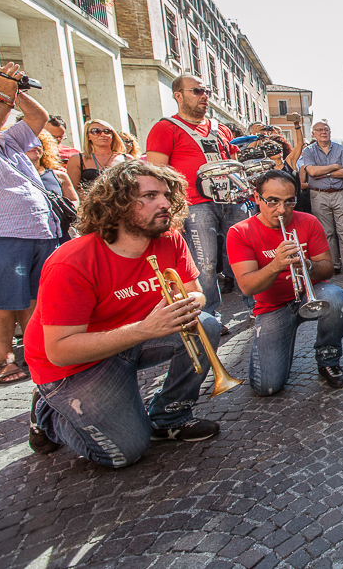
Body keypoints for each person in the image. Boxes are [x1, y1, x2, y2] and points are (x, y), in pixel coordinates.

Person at [25, 160, 222, 465]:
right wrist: (144, 330)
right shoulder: (72, 261)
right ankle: (48, 414)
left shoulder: (170, 239)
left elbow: (195, 292)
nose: (164, 203)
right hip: (74, 365)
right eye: (149, 196)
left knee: (205, 325)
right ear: (116, 203)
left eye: (167, 195)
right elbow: (59, 351)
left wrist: (190, 303)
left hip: (133, 337)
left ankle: (169, 416)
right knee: (125, 453)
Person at [226, 169, 343, 395]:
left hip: (308, 295)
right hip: (272, 307)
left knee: (336, 297)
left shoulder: (309, 222)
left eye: (289, 202)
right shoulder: (240, 232)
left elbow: (327, 268)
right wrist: (276, 264)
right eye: (272, 201)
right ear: (257, 198)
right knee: (267, 387)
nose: (281, 210)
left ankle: (328, 359)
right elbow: (247, 286)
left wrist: (308, 265)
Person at [145, 75, 243, 331]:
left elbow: (234, 162)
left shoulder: (220, 128)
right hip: (195, 205)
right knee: (206, 264)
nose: (204, 96)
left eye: (206, 91)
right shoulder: (165, 128)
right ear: (178, 95)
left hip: (231, 200)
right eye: (197, 90)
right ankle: (210, 317)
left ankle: (260, 306)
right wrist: (170, 212)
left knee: (243, 255)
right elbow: (157, 173)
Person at [0, 63, 61, 386]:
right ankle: (0, 360)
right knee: (5, 301)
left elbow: (39, 118)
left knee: (38, 298)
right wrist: (2, 90)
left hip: (40, 230)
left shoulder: (10, 141)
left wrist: (16, 91)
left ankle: (37, 352)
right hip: (6, 234)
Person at [299, 121, 343, 275]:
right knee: (327, 232)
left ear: (330, 132)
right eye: (319, 130)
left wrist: (323, 173)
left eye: (326, 129)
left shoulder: (341, 149)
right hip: (318, 194)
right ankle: (333, 264)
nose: (323, 132)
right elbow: (312, 172)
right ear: (313, 133)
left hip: (340, 193)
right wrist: (334, 167)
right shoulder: (308, 151)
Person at [66, 119, 131, 198]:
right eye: (96, 131)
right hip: (92, 206)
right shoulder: (77, 159)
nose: (103, 134)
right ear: (88, 136)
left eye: (107, 131)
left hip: (123, 205)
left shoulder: (127, 159)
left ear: (113, 135)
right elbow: (72, 191)